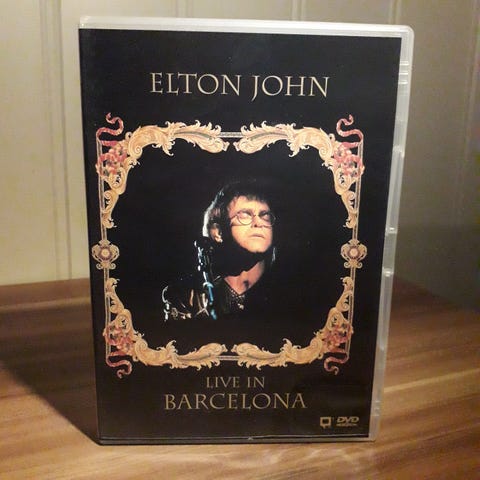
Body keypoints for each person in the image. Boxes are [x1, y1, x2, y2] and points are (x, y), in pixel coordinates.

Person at [162, 180, 277, 321]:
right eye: (245, 214)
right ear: (218, 232)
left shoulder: (289, 289)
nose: (258, 223)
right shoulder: (187, 295)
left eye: (265, 215)